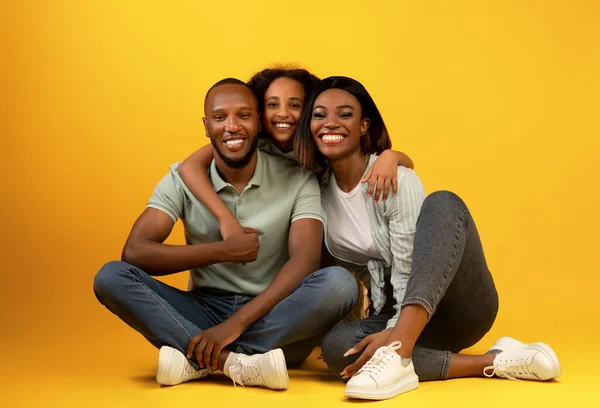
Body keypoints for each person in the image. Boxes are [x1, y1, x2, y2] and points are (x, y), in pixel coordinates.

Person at [294, 76, 562, 400]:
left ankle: (397, 352)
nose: (330, 123)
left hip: (457, 306)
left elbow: (407, 267)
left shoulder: (393, 177)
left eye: (345, 114)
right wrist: (374, 327)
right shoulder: (315, 193)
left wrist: (395, 333)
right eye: (319, 115)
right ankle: (494, 361)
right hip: (395, 313)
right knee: (339, 349)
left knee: (443, 203)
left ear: (364, 125)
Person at [93, 78, 358, 390]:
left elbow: (305, 261)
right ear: (207, 127)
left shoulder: (298, 178)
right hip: (204, 309)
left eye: (243, 116)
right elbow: (135, 253)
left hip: (275, 313)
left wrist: (235, 324)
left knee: (339, 284)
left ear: (259, 123)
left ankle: (193, 356)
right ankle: (234, 364)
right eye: (220, 118)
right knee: (111, 276)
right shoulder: (182, 180)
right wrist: (223, 250)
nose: (232, 127)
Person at [177, 67, 414, 242]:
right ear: (259, 114)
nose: (283, 114)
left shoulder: (322, 143)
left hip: (319, 238)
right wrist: (225, 218)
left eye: (294, 105)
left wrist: (390, 157)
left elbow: (398, 163)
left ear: (310, 110)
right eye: (272, 105)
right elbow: (188, 167)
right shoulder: (249, 142)